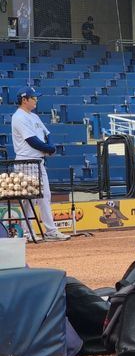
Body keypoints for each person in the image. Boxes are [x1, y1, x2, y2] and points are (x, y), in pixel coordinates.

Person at [11, 86, 70, 241]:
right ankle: (27, 232)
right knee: (28, 198)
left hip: (38, 161)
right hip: (25, 161)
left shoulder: (34, 116)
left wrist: (50, 147)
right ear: (24, 100)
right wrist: (48, 149)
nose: (36, 100)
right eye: (33, 97)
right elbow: (32, 140)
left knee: (45, 196)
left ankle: (51, 231)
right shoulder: (19, 116)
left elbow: (46, 133)